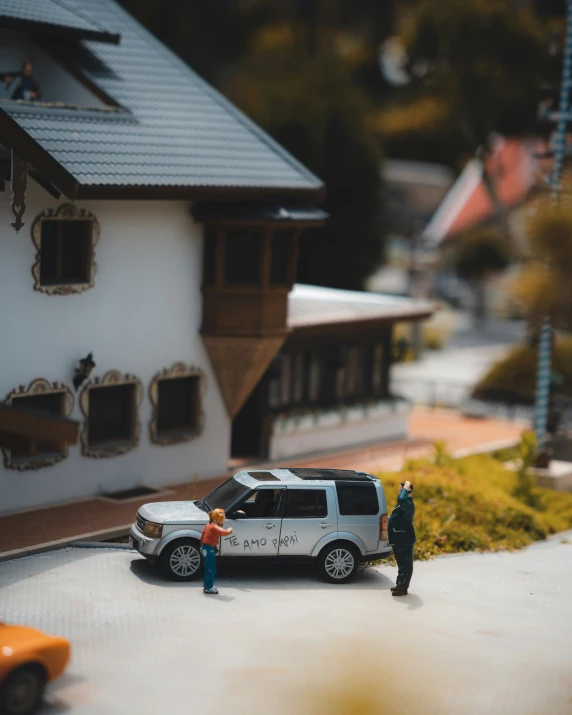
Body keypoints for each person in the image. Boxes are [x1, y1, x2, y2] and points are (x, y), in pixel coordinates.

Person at [388, 480, 415, 597]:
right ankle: (400, 584)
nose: (399, 493)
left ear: (407, 492)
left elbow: (402, 499)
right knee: (401, 564)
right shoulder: (403, 504)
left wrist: (405, 489)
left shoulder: (408, 503)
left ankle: (403, 588)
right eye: (399, 490)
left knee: (406, 565)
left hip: (404, 539)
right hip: (399, 539)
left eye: (401, 490)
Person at [199, 508, 232, 595]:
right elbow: (224, 532)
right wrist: (229, 531)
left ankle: (207, 585)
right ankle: (208, 587)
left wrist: (203, 546)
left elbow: (203, 537)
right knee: (211, 569)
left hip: (206, 548)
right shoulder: (214, 526)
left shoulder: (208, 525)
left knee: (208, 568)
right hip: (209, 549)